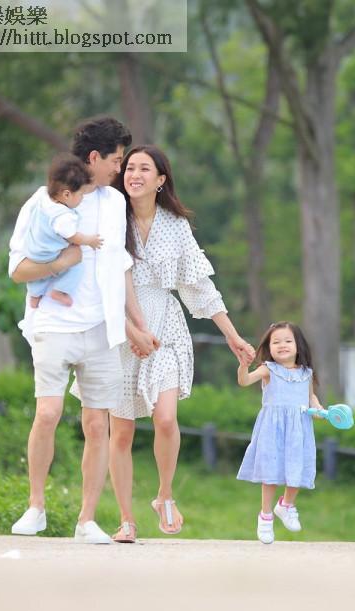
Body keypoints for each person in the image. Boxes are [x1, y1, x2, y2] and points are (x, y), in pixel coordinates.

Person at [8, 116, 156, 544]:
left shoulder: (114, 203)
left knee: (97, 424)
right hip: (54, 324)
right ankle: (36, 507)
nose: (120, 168)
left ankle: (86, 519)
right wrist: (61, 262)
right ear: (94, 158)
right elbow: (17, 269)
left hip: (102, 331)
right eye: (117, 160)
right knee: (48, 413)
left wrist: (137, 325)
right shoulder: (43, 201)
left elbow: (120, 267)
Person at [106, 145, 255, 543]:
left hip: (166, 328)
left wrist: (232, 335)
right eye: (129, 168)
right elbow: (101, 281)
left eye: (144, 169)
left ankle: (164, 495)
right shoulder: (111, 219)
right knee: (121, 432)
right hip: (119, 329)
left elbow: (198, 287)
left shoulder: (176, 225)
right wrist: (128, 327)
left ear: (161, 180)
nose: (134, 174)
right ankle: (126, 519)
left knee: (167, 419)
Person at [236, 321, 323, 544]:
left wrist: (318, 409)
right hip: (272, 430)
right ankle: (265, 516)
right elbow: (244, 381)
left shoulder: (306, 373)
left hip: (299, 430)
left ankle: (286, 505)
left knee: (296, 468)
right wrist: (243, 365)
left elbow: (310, 397)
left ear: (298, 345)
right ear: (269, 347)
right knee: (271, 472)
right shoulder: (268, 369)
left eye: (287, 341)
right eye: (276, 342)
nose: (282, 345)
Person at [25, 153, 102, 309]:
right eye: (81, 194)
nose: (82, 198)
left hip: (32, 250)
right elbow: (73, 237)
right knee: (77, 266)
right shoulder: (63, 216)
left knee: (38, 279)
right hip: (47, 254)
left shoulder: (44, 199)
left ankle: (34, 295)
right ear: (66, 194)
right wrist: (90, 241)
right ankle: (60, 291)